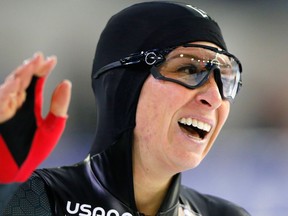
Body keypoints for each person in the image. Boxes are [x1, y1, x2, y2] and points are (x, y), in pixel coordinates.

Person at [0, 1, 250, 215]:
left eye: (224, 79)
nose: (215, 98)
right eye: (188, 69)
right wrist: (3, 180)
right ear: (123, 86)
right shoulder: (40, 200)